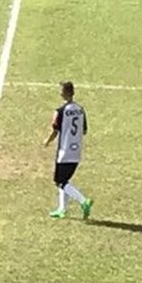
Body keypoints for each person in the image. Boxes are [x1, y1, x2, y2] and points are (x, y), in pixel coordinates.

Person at [43, 81, 93, 220]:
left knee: (60, 182)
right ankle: (62, 209)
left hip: (64, 153)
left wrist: (47, 141)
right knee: (65, 180)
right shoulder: (80, 109)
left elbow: (55, 131)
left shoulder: (60, 111)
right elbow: (84, 131)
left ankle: (84, 201)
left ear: (63, 93)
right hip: (76, 153)